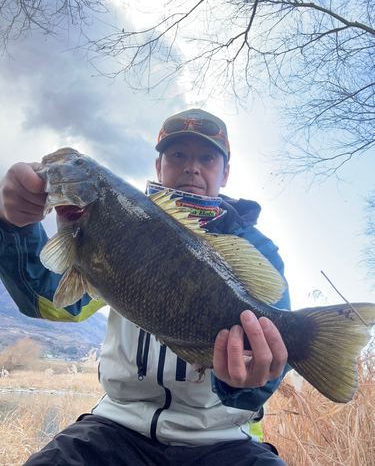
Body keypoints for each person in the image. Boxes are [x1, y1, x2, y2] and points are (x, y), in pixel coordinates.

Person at [0, 109, 291, 466]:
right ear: (159, 167)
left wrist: (246, 383)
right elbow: (48, 301)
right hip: (116, 427)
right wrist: (11, 224)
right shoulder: (121, 226)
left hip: (223, 438)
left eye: (207, 157)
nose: (192, 167)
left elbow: (271, 351)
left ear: (225, 172)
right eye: (178, 155)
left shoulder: (256, 251)